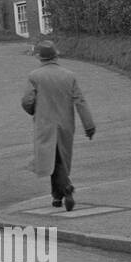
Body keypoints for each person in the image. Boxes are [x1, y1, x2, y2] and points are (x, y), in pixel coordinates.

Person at [21, 40, 96, 211]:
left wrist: (34, 110)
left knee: (52, 161)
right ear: (56, 55)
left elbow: (27, 101)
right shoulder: (69, 75)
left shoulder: (35, 76)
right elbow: (80, 101)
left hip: (45, 124)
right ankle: (57, 197)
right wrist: (89, 125)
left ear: (40, 57)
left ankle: (67, 189)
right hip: (65, 124)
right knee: (59, 159)